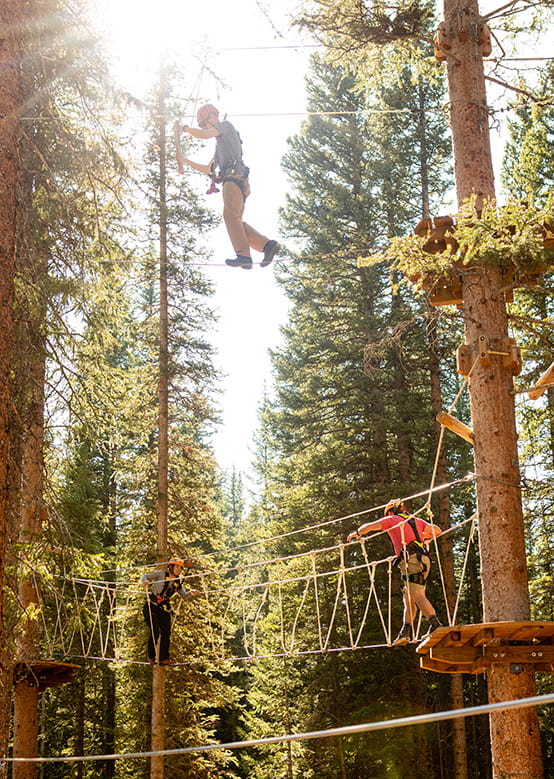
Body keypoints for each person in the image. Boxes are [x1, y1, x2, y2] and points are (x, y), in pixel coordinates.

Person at [174, 104, 280, 270]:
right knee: (235, 221)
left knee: (230, 217)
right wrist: (186, 161)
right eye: (202, 125)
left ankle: (244, 255)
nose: (204, 127)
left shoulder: (225, 126)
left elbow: (204, 135)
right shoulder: (220, 145)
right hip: (237, 179)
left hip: (234, 177)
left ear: (212, 117)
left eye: (204, 123)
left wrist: (185, 129)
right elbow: (209, 168)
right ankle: (266, 245)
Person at [347, 500, 442, 645]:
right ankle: (405, 631)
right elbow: (437, 531)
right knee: (408, 597)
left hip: (411, 561)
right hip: (424, 560)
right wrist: (422, 537)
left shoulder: (392, 519)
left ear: (390, 512)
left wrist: (357, 533)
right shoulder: (416, 520)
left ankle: (435, 624)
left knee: (417, 595)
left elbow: (370, 527)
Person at [142, 558, 201, 665]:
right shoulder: (161, 574)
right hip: (151, 606)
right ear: (171, 567)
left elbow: (184, 596)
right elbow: (145, 576)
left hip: (163, 608)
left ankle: (163, 658)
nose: (179, 569)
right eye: (177, 567)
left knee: (166, 632)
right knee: (155, 631)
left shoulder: (178, 583)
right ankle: (151, 656)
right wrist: (145, 581)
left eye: (181, 568)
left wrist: (191, 592)